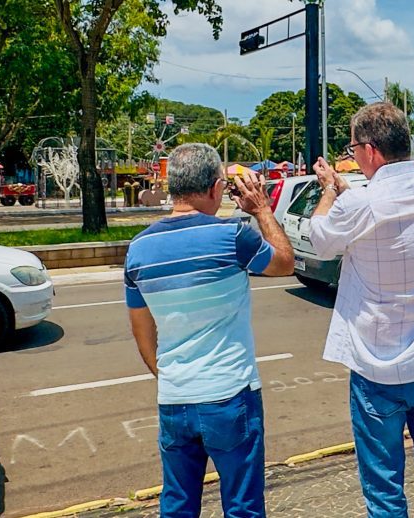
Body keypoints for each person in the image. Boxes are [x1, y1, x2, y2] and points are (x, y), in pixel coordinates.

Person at [309, 102, 414, 518]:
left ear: (370, 150)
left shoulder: (360, 204)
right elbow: (387, 212)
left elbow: (321, 239)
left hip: (379, 372)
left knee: (384, 490)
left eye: (353, 148)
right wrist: (349, 193)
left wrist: (329, 191)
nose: (352, 156)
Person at [124, 143, 294, 517]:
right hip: (230, 395)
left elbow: (141, 332)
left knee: (179, 505)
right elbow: (284, 263)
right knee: (242, 507)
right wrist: (262, 209)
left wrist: (167, 374)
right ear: (217, 188)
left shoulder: (139, 249)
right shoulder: (234, 236)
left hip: (174, 398)